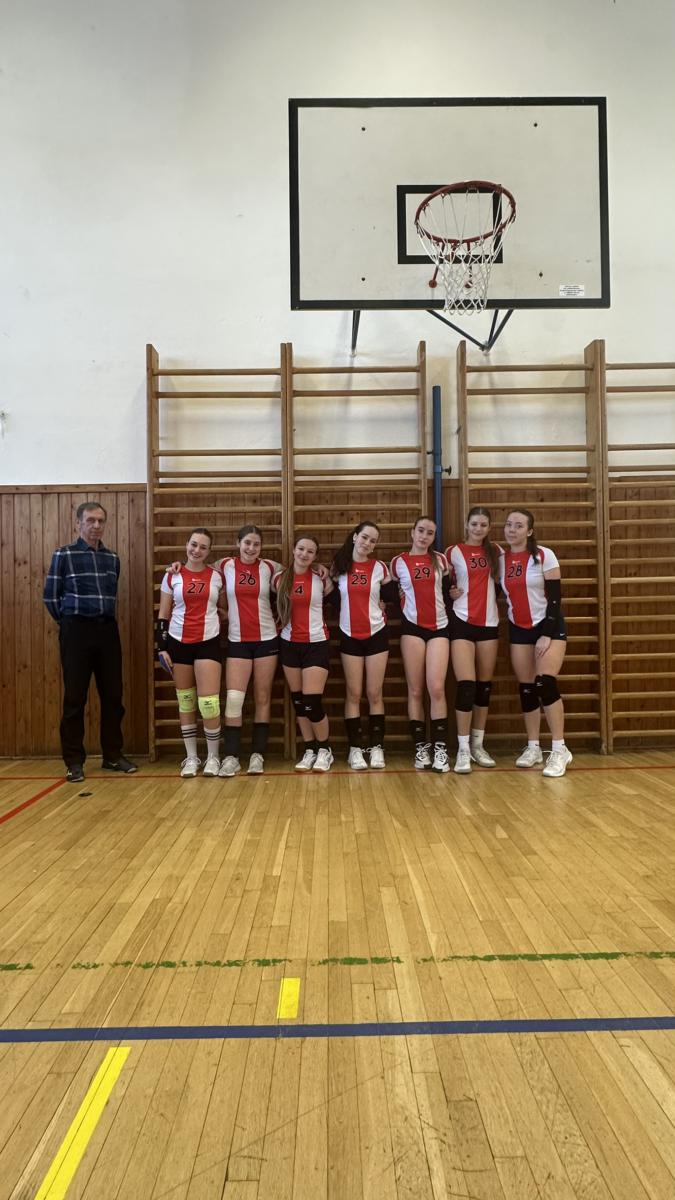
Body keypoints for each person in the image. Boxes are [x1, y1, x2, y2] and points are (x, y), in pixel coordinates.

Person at [43, 501, 138, 783]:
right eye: (90, 520)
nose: (96, 526)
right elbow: (50, 597)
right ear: (78, 523)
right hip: (76, 630)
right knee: (75, 697)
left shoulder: (112, 558)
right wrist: (69, 622)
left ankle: (112, 755)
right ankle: (74, 761)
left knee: (113, 696)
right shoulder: (64, 554)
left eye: (100, 521)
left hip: (107, 630)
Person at [500, 508, 572, 778]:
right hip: (519, 628)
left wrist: (546, 633)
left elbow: (555, 598)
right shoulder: (501, 560)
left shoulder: (544, 555)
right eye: (509, 524)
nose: (512, 530)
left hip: (547, 626)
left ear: (529, 531)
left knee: (545, 683)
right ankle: (533, 747)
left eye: (519, 526)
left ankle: (559, 749)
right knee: (527, 688)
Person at [156, 528, 223, 777]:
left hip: (208, 642)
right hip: (178, 642)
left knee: (209, 703)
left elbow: (225, 608)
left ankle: (213, 757)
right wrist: (161, 648)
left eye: (203, 547)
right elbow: (163, 614)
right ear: (186, 545)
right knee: (185, 701)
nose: (197, 550)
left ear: (209, 551)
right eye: (193, 544)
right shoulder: (172, 575)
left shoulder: (217, 577)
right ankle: (192, 757)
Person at [216, 525, 281, 778]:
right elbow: (196, 567)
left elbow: (299, 571)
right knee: (234, 699)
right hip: (238, 641)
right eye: (247, 543)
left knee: (262, 697)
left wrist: (318, 567)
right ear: (238, 543)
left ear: (261, 547)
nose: (251, 548)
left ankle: (257, 754)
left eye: (256, 544)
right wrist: (175, 566)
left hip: (267, 640)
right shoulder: (225, 565)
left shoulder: (270, 567)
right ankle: (231, 756)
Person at [330, 521, 396, 770]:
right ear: (355, 537)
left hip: (376, 634)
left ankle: (377, 747)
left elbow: (393, 597)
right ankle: (355, 749)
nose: (367, 543)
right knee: (354, 693)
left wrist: (384, 605)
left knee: (375, 693)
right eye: (365, 537)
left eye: (373, 540)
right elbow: (331, 599)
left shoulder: (379, 567)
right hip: (349, 635)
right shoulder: (339, 567)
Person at [391, 515, 451, 773]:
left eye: (430, 533)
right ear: (412, 532)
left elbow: (448, 590)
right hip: (412, 629)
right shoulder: (398, 563)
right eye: (421, 531)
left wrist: (454, 593)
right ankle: (420, 748)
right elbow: (387, 592)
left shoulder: (441, 560)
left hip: (439, 627)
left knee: (436, 688)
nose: (424, 536)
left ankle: (440, 749)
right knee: (415, 690)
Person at [446, 506, 502, 774]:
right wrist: (451, 593)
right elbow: (442, 586)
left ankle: (478, 745)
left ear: (489, 528)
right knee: (466, 686)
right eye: (474, 524)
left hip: (489, 623)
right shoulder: (453, 552)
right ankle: (463, 749)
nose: (478, 529)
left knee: (483, 688)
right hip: (462, 622)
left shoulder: (496, 552)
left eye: (483, 525)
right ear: (467, 525)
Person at [273, 535, 334, 772]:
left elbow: (340, 601)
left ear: (315, 556)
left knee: (312, 701)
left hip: (316, 644)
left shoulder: (321, 578)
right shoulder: (279, 578)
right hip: (289, 644)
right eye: (301, 549)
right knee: (298, 701)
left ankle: (324, 750)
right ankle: (310, 749)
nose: (304, 554)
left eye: (310, 551)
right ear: (293, 550)